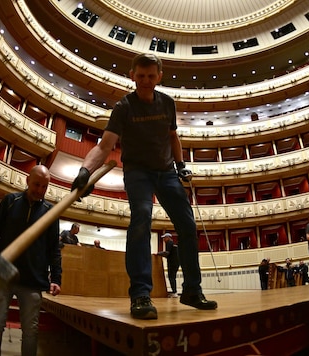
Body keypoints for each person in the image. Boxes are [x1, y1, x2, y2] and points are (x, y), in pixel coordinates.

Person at [71, 53, 217, 320]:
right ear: (132, 76)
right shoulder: (124, 107)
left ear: (159, 76)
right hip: (137, 172)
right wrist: (84, 171)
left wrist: (181, 163)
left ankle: (192, 291)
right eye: (141, 76)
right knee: (141, 218)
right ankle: (140, 294)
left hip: (166, 171)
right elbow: (104, 146)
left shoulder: (167, 104)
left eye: (151, 76)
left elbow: (173, 137)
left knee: (187, 225)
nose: (146, 81)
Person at [0, 165, 62, 356]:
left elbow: (53, 249)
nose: (40, 191)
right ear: (27, 180)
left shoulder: (50, 213)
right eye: (37, 185)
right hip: (3, 276)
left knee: (31, 332)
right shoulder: (10, 201)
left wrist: (57, 278)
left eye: (45, 187)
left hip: (33, 281)